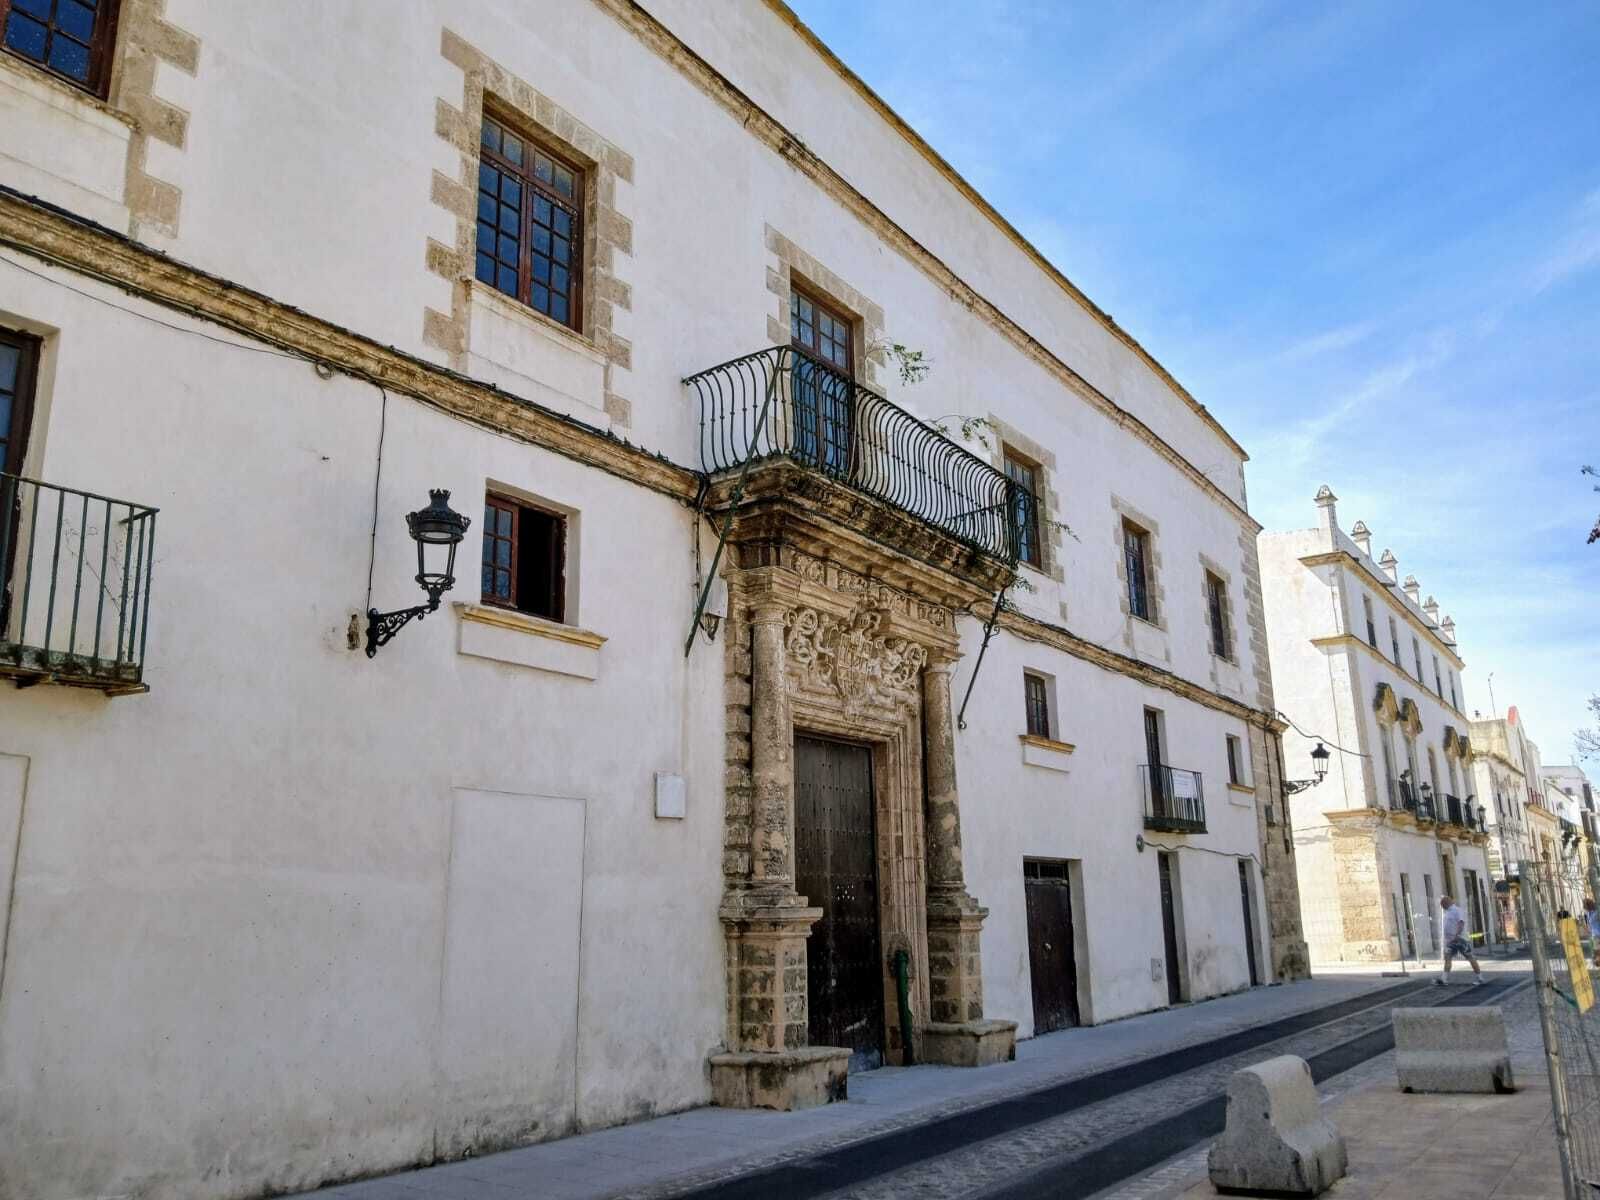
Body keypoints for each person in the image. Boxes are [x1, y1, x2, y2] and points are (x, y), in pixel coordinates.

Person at [1436, 895, 1484, 985]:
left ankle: (1480, 978)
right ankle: (1444, 979)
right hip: (1450, 941)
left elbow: (1461, 923)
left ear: (1446, 903)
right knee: (1447, 958)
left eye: (1442, 904)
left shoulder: (1457, 910)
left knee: (1470, 957)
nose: (1441, 906)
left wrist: (1457, 935)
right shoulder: (1447, 912)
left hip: (1460, 939)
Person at [1585, 897, 1600, 968]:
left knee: (1597, 951)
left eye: (1586, 906)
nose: (1585, 908)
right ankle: (1597, 961)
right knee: (1596, 950)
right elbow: (1589, 924)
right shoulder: (1588, 913)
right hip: (1594, 935)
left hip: (1598, 934)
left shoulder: (1597, 911)